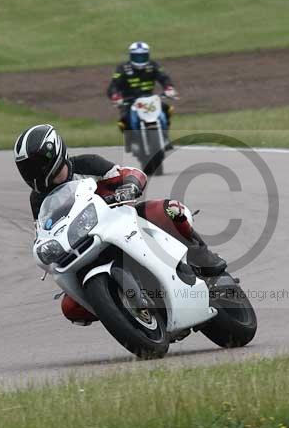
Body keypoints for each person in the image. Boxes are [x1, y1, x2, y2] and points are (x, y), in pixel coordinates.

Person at [14, 124, 225, 325]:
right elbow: (43, 230)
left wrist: (130, 186)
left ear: (55, 153)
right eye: (26, 168)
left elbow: (131, 173)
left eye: (35, 164)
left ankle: (203, 257)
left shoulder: (87, 164)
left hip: (123, 219)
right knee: (71, 307)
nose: (32, 172)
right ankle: (121, 312)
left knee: (169, 210)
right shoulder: (38, 199)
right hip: (84, 243)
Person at [106, 41, 177, 150]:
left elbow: (164, 77)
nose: (140, 60)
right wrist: (116, 96)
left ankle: (164, 137)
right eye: (137, 57)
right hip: (129, 100)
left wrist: (169, 88)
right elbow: (113, 85)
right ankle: (131, 140)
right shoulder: (123, 68)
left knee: (167, 110)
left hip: (150, 99)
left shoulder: (153, 65)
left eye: (143, 56)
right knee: (124, 120)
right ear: (131, 56)